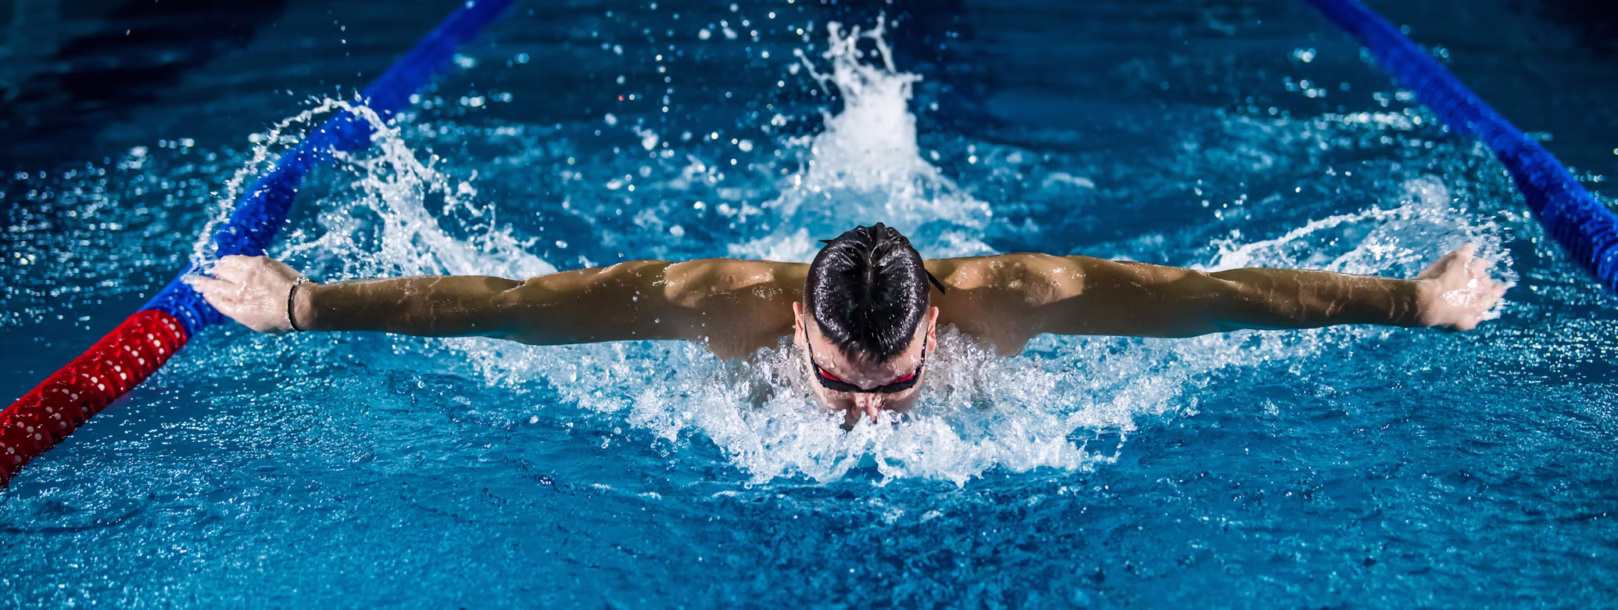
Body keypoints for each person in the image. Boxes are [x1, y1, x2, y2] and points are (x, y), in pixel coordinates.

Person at [187, 223, 1505, 427]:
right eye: (838, 377)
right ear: (795, 326)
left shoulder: (1022, 297)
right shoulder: (715, 306)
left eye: (887, 384)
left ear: (938, 315)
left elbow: (1216, 296)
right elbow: (517, 311)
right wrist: (305, 303)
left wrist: (1412, 301)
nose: (863, 415)